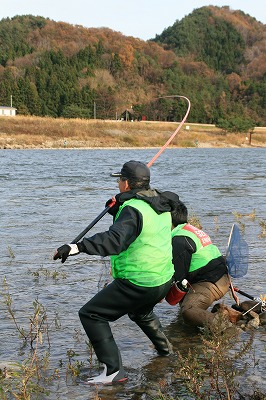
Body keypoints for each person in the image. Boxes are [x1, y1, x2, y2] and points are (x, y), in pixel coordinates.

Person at [53, 160, 179, 384]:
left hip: (139, 281)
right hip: (163, 279)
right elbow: (139, 227)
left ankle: (113, 372)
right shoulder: (160, 203)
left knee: (91, 314)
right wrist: (118, 207)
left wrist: (77, 247)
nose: (118, 184)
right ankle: (167, 351)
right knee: (140, 313)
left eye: (120, 180)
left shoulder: (133, 208)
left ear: (127, 183)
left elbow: (115, 240)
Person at [170, 200, 231, 328]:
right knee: (185, 309)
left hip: (211, 283)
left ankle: (226, 328)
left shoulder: (180, 239)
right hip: (219, 277)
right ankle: (188, 329)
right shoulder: (188, 229)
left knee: (188, 311)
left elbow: (178, 277)